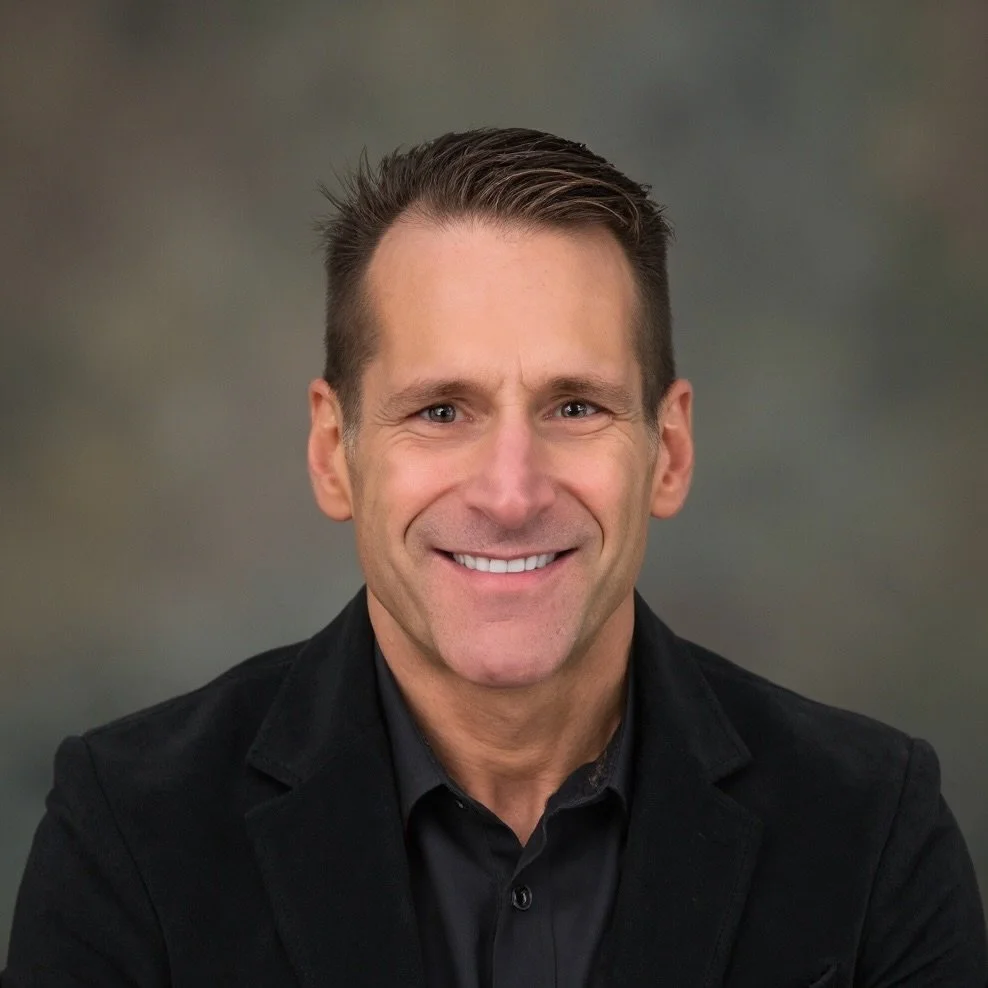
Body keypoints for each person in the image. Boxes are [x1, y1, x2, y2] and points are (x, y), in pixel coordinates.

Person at [3, 128, 985, 987]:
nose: (510, 493)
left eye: (575, 406)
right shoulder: (130, 835)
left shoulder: (867, 826)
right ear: (332, 452)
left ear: (668, 451)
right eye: (440, 410)